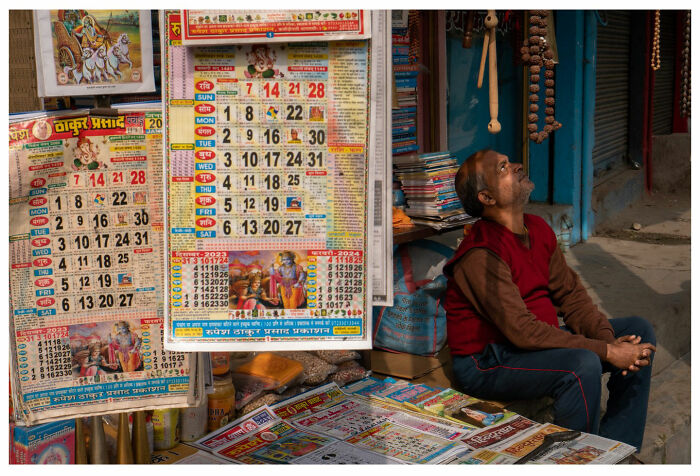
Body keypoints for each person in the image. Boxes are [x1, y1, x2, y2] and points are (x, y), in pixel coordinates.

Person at [443, 149, 656, 452]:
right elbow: (522, 331)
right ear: (487, 198)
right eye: (504, 168)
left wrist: (609, 342)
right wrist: (606, 351)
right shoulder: (481, 255)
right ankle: (577, 458)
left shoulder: (538, 228)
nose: (517, 166)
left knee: (639, 331)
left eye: (511, 161)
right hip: (489, 360)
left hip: (531, 345)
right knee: (579, 365)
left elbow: (572, 296)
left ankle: (619, 449)